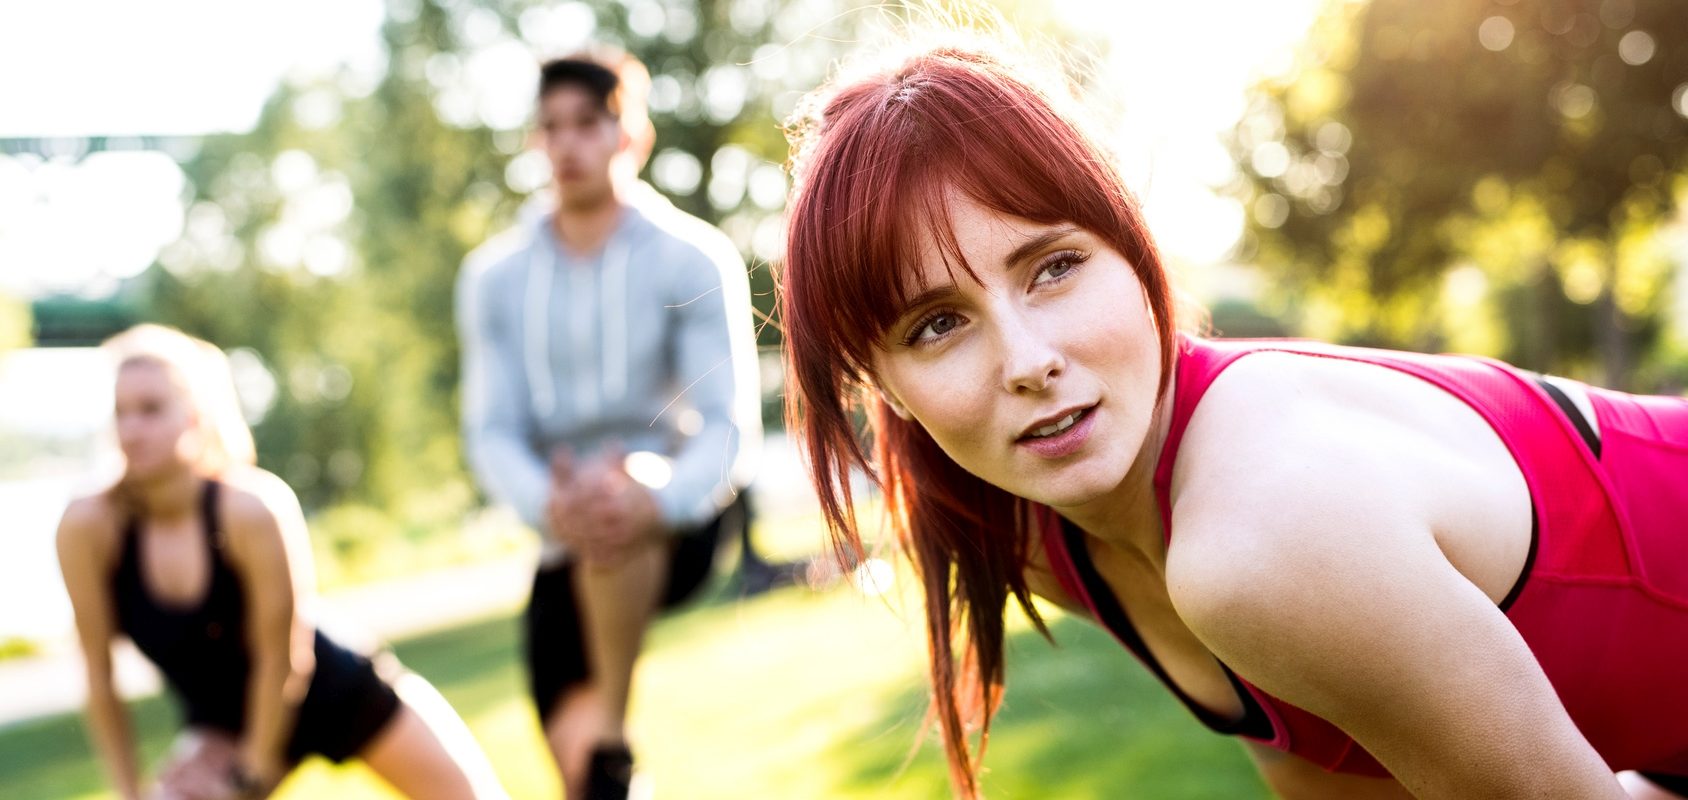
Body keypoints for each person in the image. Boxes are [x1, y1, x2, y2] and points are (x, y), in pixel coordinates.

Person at [777, 39, 1688, 800]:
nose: (1028, 362)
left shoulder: (1263, 528)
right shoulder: (1035, 538)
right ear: (879, 381)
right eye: (938, 325)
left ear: (1134, 253)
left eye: (1052, 267)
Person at [456, 47, 763, 800]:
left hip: (679, 516)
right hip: (564, 531)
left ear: (634, 136)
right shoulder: (493, 277)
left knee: (618, 482)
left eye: (589, 123)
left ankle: (614, 737)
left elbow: (726, 429)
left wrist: (652, 495)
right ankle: (610, 764)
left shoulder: (693, 257)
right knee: (577, 770)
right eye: (551, 127)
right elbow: (491, 429)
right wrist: (545, 502)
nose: (567, 144)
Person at [55, 324, 507, 800]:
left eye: (150, 410)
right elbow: (98, 677)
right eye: (121, 413)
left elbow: (284, 656)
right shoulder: (89, 528)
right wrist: (131, 791)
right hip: (226, 723)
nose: (131, 430)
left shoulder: (251, 507)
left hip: (332, 690)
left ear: (195, 415)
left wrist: (254, 768)